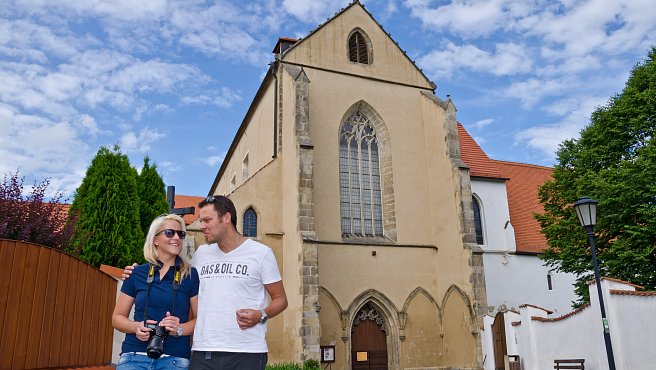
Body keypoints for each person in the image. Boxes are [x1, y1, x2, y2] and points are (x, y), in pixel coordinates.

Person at [124, 196, 288, 370]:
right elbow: (174, 274)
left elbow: (281, 300)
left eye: (207, 220)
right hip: (203, 351)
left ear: (226, 218)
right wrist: (135, 270)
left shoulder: (261, 253)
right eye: (201, 221)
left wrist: (260, 315)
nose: (202, 226)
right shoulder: (201, 254)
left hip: (248, 350)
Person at [113, 214, 200, 370]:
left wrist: (178, 329)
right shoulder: (136, 273)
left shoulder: (190, 275)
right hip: (134, 356)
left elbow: (199, 320)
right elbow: (117, 318)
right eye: (169, 232)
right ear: (155, 239)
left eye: (181, 234)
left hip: (175, 359)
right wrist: (136, 327)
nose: (176, 237)